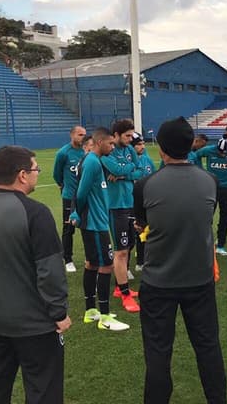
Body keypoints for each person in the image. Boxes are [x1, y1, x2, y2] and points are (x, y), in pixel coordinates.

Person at [133, 117, 227, 404]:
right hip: (199, 280)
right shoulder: (209, 181)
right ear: (191, 146)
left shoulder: (145, 185)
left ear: (161, 149)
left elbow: (143, 224)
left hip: (159, 282)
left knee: (158, 354)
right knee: (208, 348)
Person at [0, 145, 71, 403]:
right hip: (35, 326)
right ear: (22, 175)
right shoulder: (35, 213)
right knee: (43, 392)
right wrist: (59, 312)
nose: (38, 174)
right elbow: (50, 271)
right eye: (35, 169)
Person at [70, 127, 131, 332]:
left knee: (92, 264)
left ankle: (90, 311)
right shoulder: (92, 162)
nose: (112, 147)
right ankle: (104, 317)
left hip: (97, 221)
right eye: (110, 143)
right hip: (95, 224)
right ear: (98, 142)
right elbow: (80, 193)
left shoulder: (95, 161)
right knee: (106, 265)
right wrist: (78, 214)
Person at [101, 119, 143, 313]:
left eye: (131, 135)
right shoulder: (108, 152)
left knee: (128, 246)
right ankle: (125, 295)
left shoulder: (129, 150)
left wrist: (123, 175)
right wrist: (125, 171)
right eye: (126, 136)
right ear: (116, 135)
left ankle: (120, 288)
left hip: (130, 204)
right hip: (115, 207)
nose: (130, 139)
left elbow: (140, 170)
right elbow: (117, 169)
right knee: (121, 251)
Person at [194, 133, 227, 256]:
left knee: (225, 217)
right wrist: (202, 171)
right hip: (211, 188)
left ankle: (221, 245)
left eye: (226, 153)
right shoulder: (209, 150)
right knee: (207, 217)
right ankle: (205, 244)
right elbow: (195, 156)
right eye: (221, 152)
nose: (223, 154)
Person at [53, 125, 86, 272]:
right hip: (69, 196)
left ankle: (90, 257)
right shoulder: (63, 153)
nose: (83, 137)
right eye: (80, 134)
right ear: (71, 135)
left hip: (85, 196)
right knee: (69, 228)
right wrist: (64, 186)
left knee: (88, 226)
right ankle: (67, 259)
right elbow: (57, 174)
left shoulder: (87, 152)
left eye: (84, 134)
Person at [132, 132, 156, 272]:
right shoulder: (128, 162)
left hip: (148, 200)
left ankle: (143, 260)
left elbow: (154, 176)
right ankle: (137, 261)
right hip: (132, 202)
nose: (143, 146)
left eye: (142, 144)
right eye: (139, 144)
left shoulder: (147, 160)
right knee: (133, 232)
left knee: (146, 230)